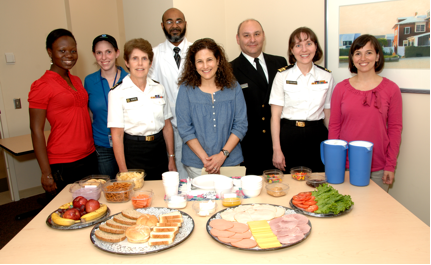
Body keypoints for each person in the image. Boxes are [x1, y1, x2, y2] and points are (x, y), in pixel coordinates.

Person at [329, 34, 402, 192]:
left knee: (375, 214)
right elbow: (334, 126)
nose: (363, 58)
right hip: (346, 166)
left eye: (368, 52)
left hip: (378, 168)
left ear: (377, 56)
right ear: (352, 58)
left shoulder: (391, 89)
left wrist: (390, 165)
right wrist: (334, 163)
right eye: (358, 53)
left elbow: (395, 130)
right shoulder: (341, 89)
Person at [29, 28, 98, 197]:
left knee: (94, 206)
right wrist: (46, 173)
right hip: (64, 161)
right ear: (50, 52)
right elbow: (36, 130)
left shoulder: (76, 80)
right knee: (70, 213)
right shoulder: (41, 85)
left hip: (89, 155)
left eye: (73, 51)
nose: (69, 55)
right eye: (62, 51)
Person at [176, 38, 248, 178]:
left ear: (218, 60)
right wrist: (206, 160)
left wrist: (222, 156)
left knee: (230, 200)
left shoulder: (233, 87)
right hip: (197, 165)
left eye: (209, 59)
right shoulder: (186, 90)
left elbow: (241, 125)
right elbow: (185, 129)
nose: (205, 66)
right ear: (193, 64)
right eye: (199, 61)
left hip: (230, 162)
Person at [108, 38, 177, 180]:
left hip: (159, 149)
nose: (140, 64)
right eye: (135, 58)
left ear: (150, 63)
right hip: (133, 151)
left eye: (144, 58)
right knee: (138, 198)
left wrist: (171, 158)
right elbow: (117, 136)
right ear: (127, 62)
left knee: (161, 195)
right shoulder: (117, 93)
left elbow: (167, 127)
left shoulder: (159, 88)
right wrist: (123, 171)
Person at [269, 27, 334, 173]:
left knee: (317, 181)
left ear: (316, 47)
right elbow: (275, 117)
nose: (304, 49)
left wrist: (334, 144)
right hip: (289, 135)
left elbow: (327, 113)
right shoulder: (282, 76)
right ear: (292, 50)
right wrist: (276, 149)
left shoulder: (327, 77)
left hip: (317, 135)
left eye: (309, 43)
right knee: (290, 181)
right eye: (298, 45)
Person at [230, 19, 288, 175]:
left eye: (257, 34)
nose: (252, 40)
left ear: (263, 36)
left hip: (280, 143)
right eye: (246, 35)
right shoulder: (230, 69)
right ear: (238, 39)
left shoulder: (279, 62)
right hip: (250, 148)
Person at [149, 8, 192, 180]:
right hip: (167, 126)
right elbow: (151, 90)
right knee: (173, 176)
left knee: (196, 175)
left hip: (194, 125)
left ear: (185, 24)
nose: (175, 26)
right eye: (169, 21)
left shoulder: (197, 51)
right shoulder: (153, 54)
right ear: (162, 25)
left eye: (179, 21)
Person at [84, 34, 128, 179]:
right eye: (99, 53)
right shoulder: (89, 81)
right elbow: (89, 114)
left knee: (132, 185)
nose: (104, 57)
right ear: (94, 55)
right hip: (102, 145)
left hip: (127, 143)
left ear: (117, 53)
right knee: (109, 189)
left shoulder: (129, 79)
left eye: (108, 51)